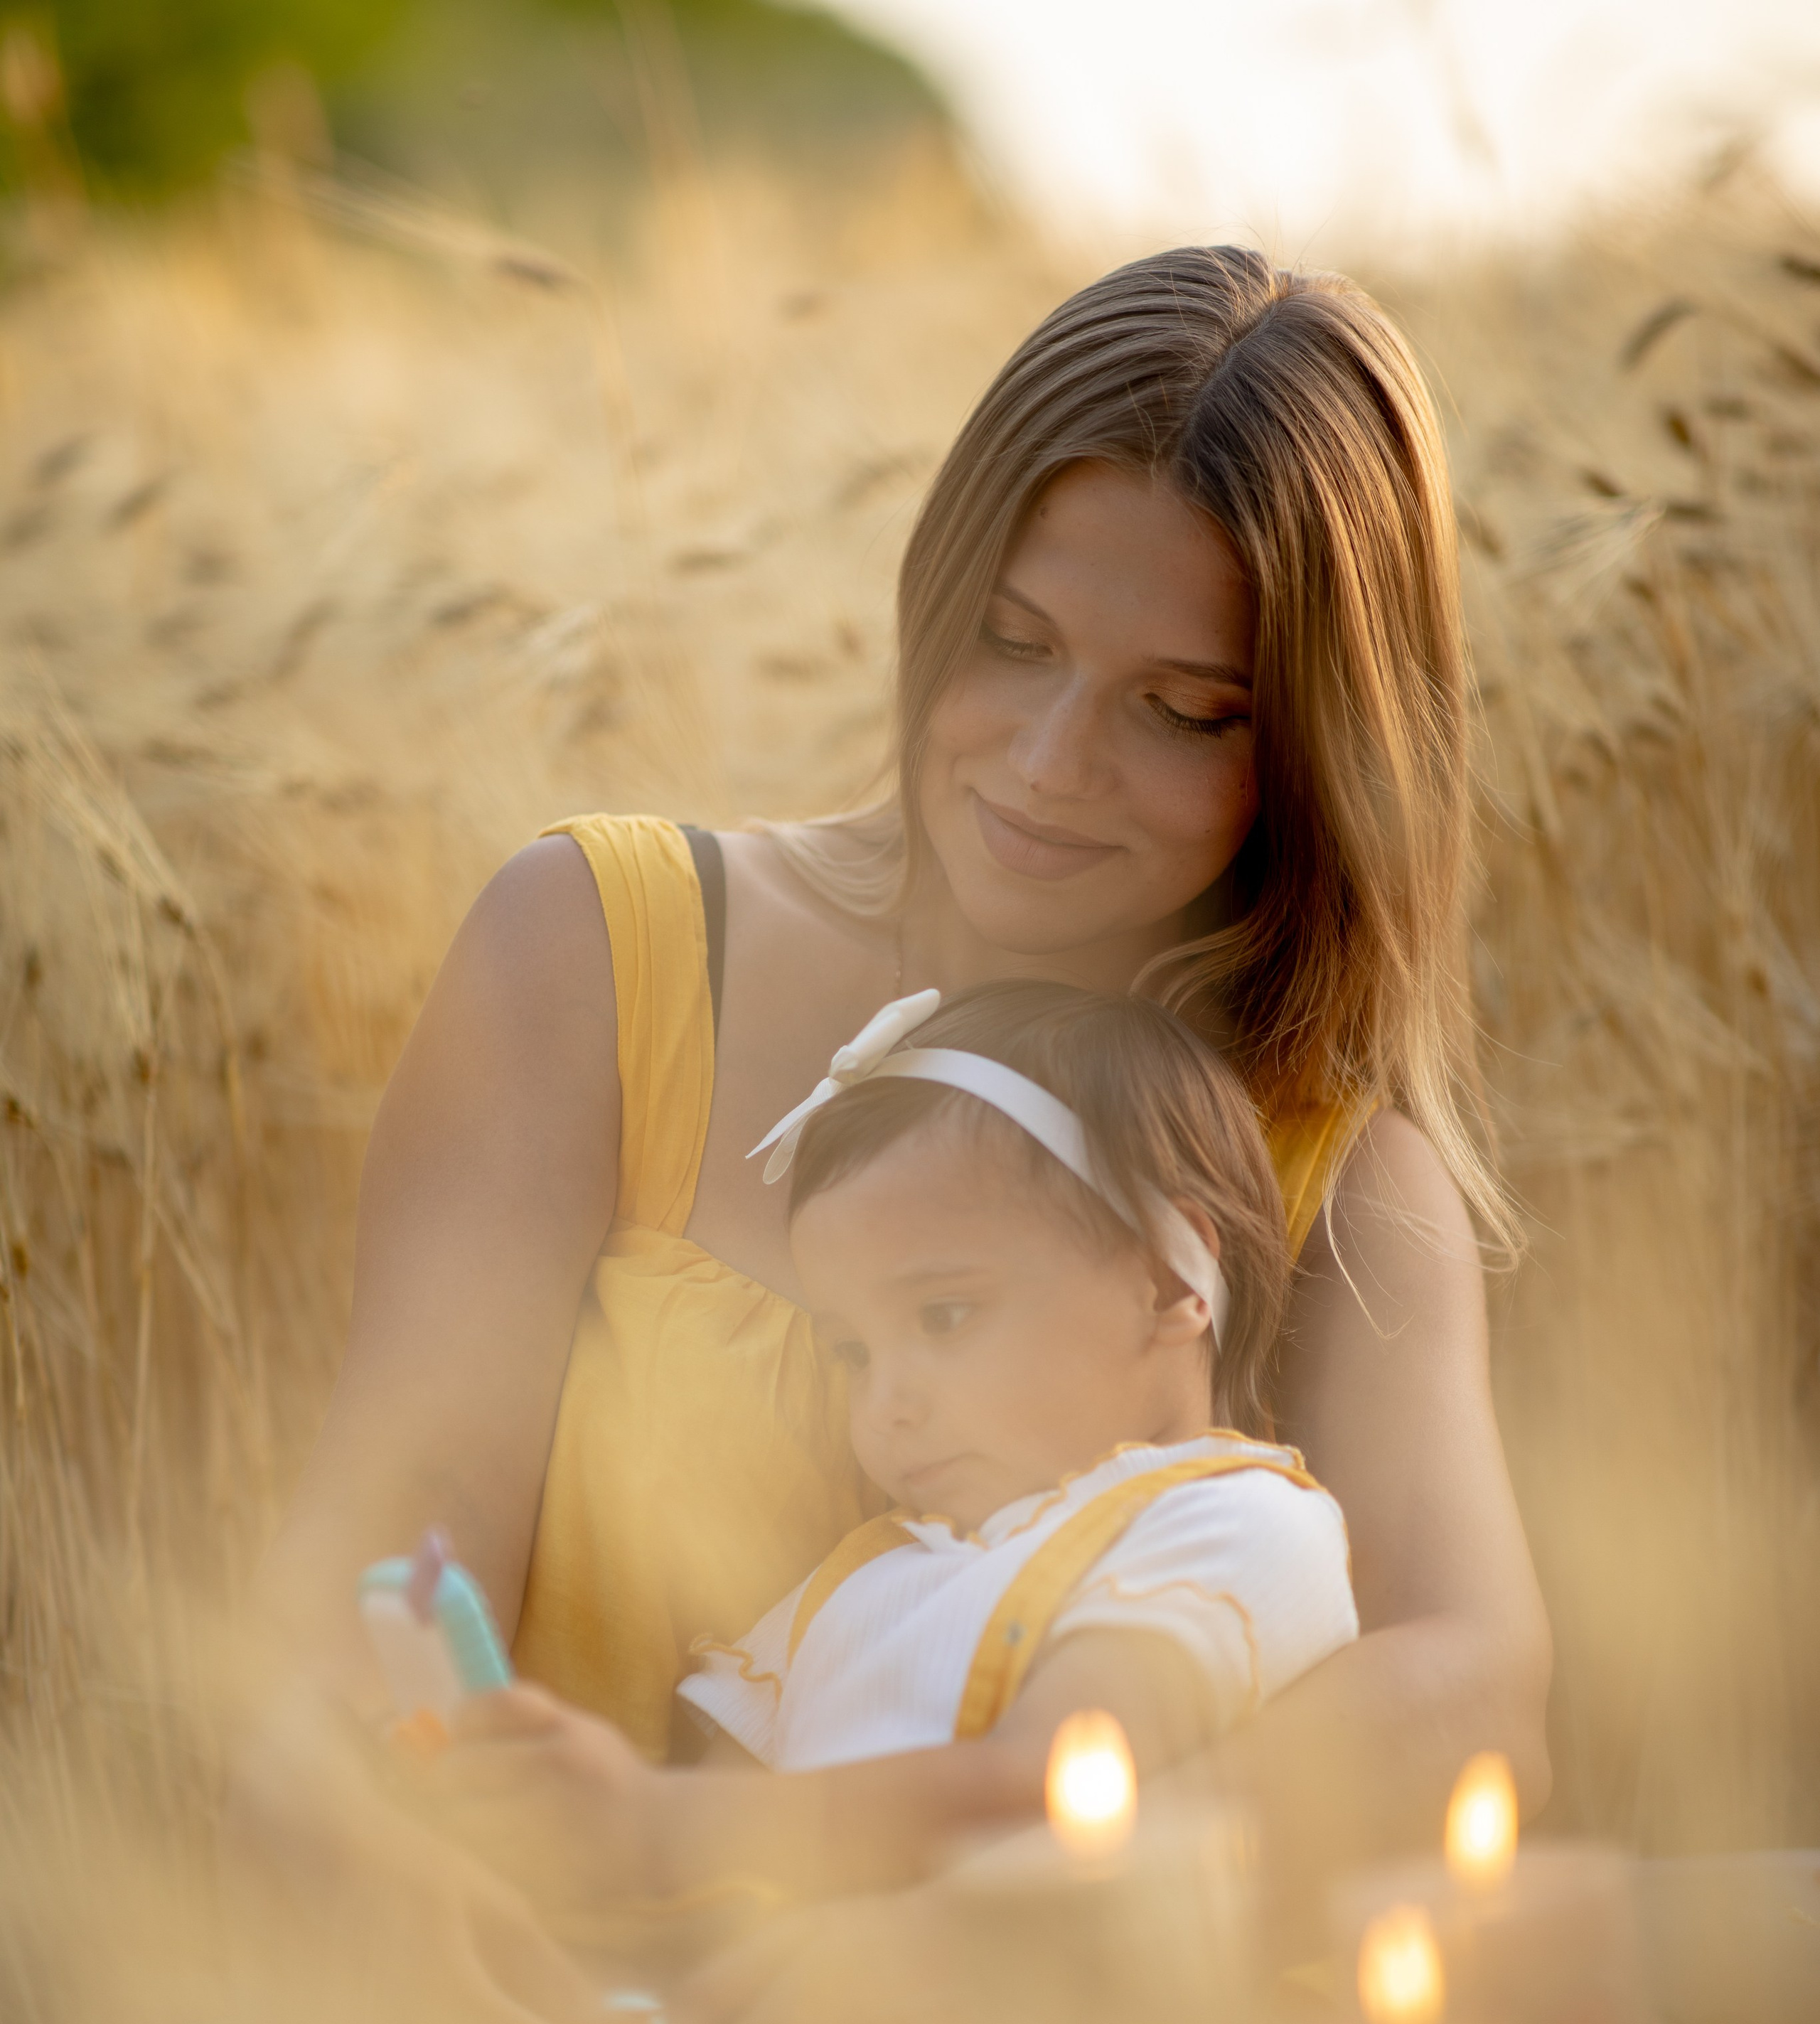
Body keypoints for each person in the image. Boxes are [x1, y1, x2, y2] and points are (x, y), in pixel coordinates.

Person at [262, 242, 1551, 1919]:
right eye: (1011, 641)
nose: (1045, 763)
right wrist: (421, 1931)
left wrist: (946, 1899)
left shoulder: (1331, 1179)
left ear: (1310, 746)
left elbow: (1476, 1707)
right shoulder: (599, 955)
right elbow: (362, 1589)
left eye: (1179, 710)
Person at [429, 980, 1358, 1919]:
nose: (884, 1405)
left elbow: (1051, 1792)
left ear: (1165, 1284)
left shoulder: (1235, 1517)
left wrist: (657, 1825)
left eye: (944, 1315)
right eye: (853, 1351)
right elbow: (715, 1840)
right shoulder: (860, 1580)